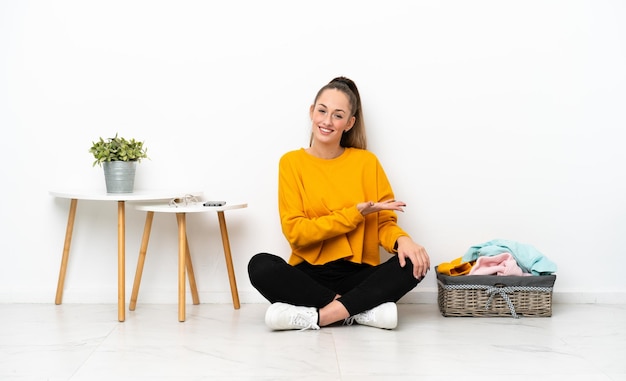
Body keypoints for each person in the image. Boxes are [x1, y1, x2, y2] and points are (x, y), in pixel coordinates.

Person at [247, 76, 430, 331]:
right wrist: (354, 214)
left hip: (358, 274)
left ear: (349, 123)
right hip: (309, 275)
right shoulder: (291, 163)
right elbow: (296, 233)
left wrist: (403, 241)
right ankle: (358, 311)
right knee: (260, 266)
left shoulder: (367, 163)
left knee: (413, 263)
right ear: (312, 112)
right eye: (322, 111)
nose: (327, 121)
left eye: (338, 115)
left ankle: (320, 316)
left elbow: (384, 223)